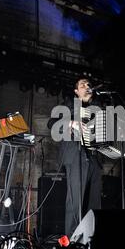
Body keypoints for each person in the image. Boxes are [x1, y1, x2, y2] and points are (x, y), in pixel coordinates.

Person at [47, 78, 103, 237]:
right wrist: (71, 122)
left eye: (88, 84)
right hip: (75, 155)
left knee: (94, 201)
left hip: (94, 158)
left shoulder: (97, 108)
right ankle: (73, 240)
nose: (86, 87)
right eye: (82, 85)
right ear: (76, 91)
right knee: (75, 201)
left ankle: (92, 237)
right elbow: (51, 123)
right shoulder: (68, 104)